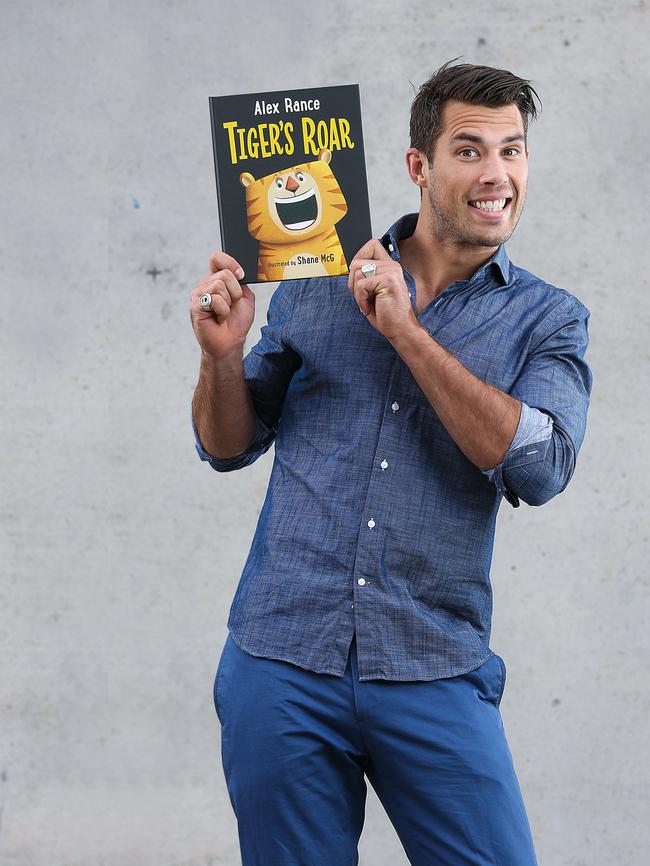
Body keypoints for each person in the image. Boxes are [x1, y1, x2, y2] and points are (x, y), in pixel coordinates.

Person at [188, 59, 592, 866]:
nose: (497, 175)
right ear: (420, 166)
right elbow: (227, 447)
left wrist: (408, 333)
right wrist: (222, 359)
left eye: (512, 151)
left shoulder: (549, 319)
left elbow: (538, 470)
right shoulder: (312, 276)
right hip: (281, 660)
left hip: (431, 663)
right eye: (470, 149)